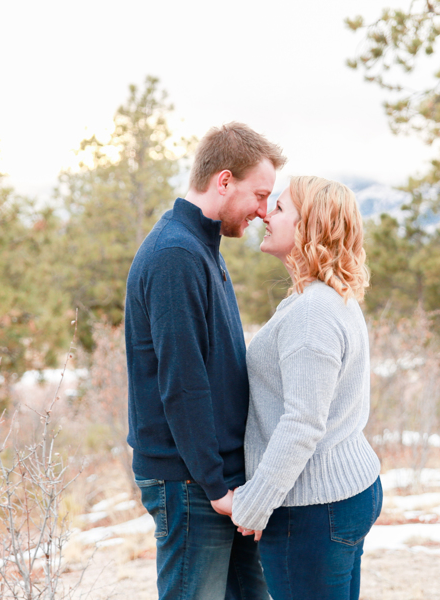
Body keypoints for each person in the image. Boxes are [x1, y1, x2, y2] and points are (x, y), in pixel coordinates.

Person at [124, 122, 286, 600]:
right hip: (191, 481)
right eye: (259, 194)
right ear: (223, 181)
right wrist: (216, 487)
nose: (263, 209)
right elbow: (183, 384)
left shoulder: (200, 247)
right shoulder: (176, 254)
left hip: (217, 478)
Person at [229, 176, 383, 600]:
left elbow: (302, 424)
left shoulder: (312, 313)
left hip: (313, 510)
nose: (265, 214)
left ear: (309, 227)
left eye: (279, 209)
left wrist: (254, 505)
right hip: (341, 495)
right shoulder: (324, 297)